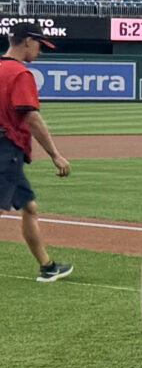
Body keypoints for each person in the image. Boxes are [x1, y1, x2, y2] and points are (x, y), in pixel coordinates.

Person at [0, 21, 72, 280]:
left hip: (8, 151)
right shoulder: (20, 74)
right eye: (40, 44)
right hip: (5, 150)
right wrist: (55, 154)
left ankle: (47, 266)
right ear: (27, 41)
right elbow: (31, 117)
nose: (40, 51)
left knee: (29, 207)